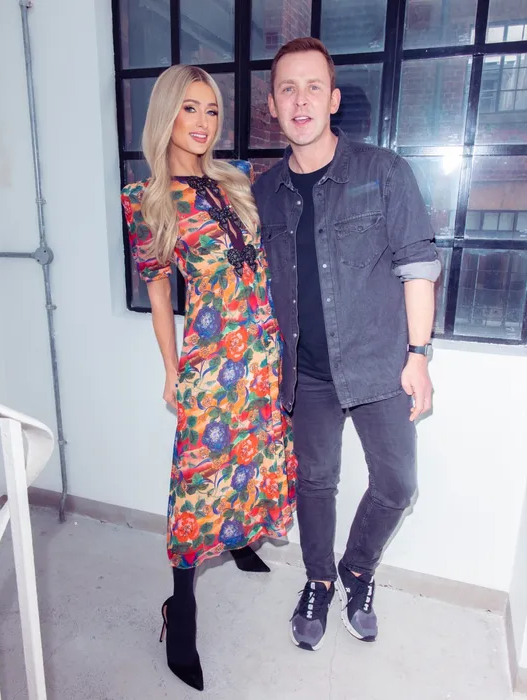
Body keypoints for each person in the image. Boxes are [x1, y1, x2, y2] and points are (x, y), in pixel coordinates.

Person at [252, 37, 441, 652]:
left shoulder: (383, 172)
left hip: (380, 364)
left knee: (398, 485)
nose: (300, 100)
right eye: (287, 89)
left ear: (333, 100)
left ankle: (357, 570)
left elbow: (418, 266)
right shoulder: (264, 192)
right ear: (273, 106)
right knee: (315, 483)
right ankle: (318, 580)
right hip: (305, 374)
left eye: (313, 87)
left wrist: (419, 356)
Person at [121, 65, 296, 691]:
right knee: (197, 482)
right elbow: (159, 294)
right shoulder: (149, 200)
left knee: (255, 455)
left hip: (261, 355)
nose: (202, 122)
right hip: (212, 363)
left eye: (212, 110)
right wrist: (172, 371)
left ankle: (242, 539)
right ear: (166, 114)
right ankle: (182, 609)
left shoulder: (237, 180)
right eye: (189, 108)